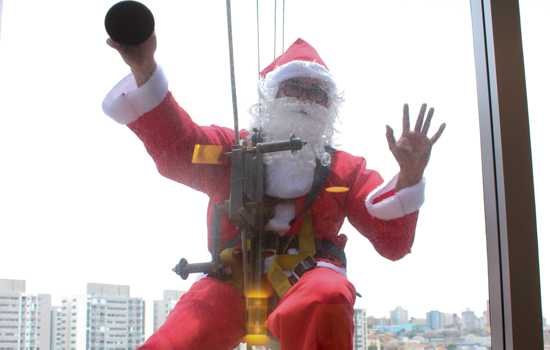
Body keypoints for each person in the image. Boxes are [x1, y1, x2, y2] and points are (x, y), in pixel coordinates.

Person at [103, 33, 445, 350]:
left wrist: (408, 178)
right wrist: (144, 69)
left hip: (309, 279)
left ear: (329, 106)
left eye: (316, 93)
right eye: (294, 87)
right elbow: (181, 147)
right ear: (273, 96)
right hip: (233, 279)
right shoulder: (231, 152)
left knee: (327, 296)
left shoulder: (346, 169)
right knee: (179, 339)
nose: (305, 99)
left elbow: (392, 242)